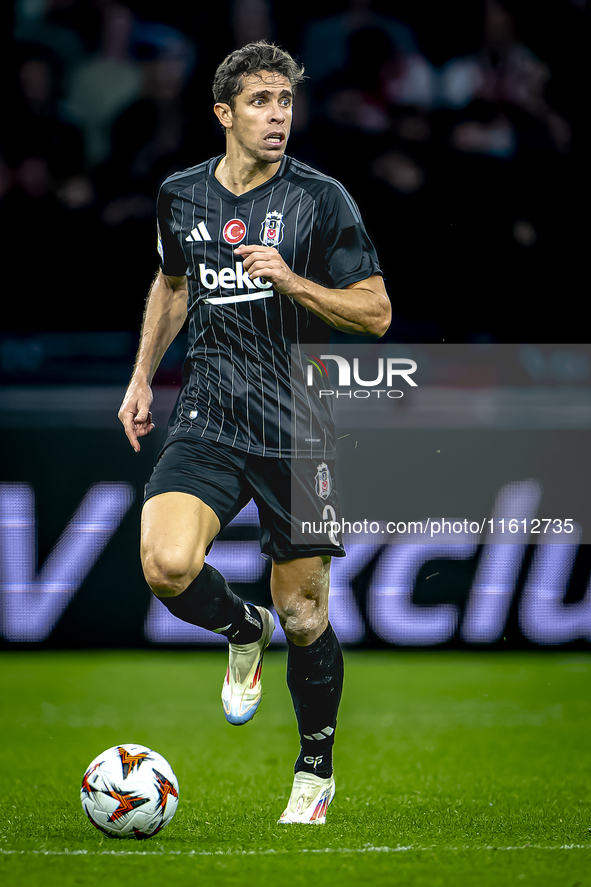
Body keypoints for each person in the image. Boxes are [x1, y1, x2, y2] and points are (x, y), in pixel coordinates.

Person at [118, 41, 390, 824]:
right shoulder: (180, 195)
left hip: (298, 428)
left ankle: (314, 771)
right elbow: (174, 284)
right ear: (224, 113)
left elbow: (375, 313)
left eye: (286, 102)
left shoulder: (321, 198)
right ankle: (243, 628)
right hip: (208, 413)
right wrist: (141, 375)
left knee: (306, 614)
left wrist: (296, 280)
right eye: (263, 102)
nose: (278, 116)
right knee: (166, 564)